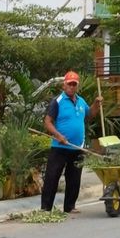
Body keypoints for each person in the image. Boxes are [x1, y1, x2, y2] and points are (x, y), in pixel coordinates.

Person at [41, 71, 102, 213]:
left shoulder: (81, 101)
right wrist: (58, 135)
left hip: (77, 147)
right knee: (52, 177)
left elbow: (89, 115)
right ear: (64, 85)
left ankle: (69, 206)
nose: (72, 87)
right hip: (59, 147)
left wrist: (96, 105)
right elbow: (48, 122)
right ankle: (46, 208)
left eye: (74, 84)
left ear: (77, 86)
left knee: (74, 179)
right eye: (70, 84)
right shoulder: (57, 101)